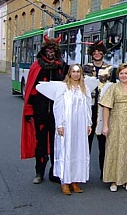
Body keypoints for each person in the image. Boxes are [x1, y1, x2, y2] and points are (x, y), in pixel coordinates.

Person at [21, 32, 67, 184]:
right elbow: (31, 90)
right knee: (40, 144)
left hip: (57, 114)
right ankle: (39, 172)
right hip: (40, 112)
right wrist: (29, 110)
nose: (51, 53)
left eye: (53, 50)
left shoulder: (62, 66)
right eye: (48, 50)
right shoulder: (37, 66)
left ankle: (55, 171)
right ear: (44, 50)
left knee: (57, 143)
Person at [99, 63, 127, 192]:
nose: (124, 76)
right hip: (115, 122)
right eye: (121, 73)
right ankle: (114, 180)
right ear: (118, 75)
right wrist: (105, 125)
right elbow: (106, 107)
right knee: (114, 149)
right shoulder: (113, 88)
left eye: (126, 73)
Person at [52, 64, 92, 195]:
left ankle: (75, 180)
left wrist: (88, 123)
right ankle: (65, 181)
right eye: (73, 72)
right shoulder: (63, 88)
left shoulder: (84, 88)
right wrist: (60, 124)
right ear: (69, 73)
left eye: (78, 72)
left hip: (79, 125)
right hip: (67, 124)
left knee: (78, 151)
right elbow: (57, 107)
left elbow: (87, 107)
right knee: (66, 150)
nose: (76, 74)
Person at [83, 40, 114, 180]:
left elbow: (112, 88)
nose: (97, 54)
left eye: (99, 52)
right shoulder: (85, 68)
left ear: (103, 53)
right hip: (88, 107)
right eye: (94, 52)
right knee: (86, 143)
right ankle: (83, 173)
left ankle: (105, 173)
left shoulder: (109, 68)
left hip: (103, 108)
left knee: (103, 144)